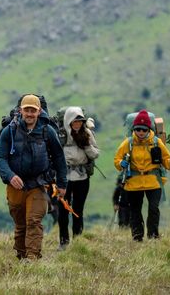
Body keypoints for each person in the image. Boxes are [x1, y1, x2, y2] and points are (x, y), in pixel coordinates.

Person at [0, 94, 67, 260]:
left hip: (39, 184)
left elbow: (58, 158)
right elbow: (0, 157)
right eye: (26, 110)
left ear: (39, 111)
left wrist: (62, 184)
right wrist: (10, 175)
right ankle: (21, 256)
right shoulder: (9, 131)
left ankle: (32, 257)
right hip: (15, 186)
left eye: (33, 110)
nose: (29, 114)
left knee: (34, 221)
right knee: (20, 225)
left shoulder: (47, 131)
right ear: (20, 110)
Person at [113, 109, 170, 241]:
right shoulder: (128, 143)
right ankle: (137, 236)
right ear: (134, 129)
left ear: (149, 129)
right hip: (134, 182)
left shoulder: (156, 142)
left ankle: (153, 235)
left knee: (153, 209)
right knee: (135, 210)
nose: (140, 132)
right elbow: (117, 160)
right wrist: (121, 163)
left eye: (144, 129)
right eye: (138, 129)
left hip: (153, 181)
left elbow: (167, 159)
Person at [57, 106, 100, 250]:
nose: (77, 124)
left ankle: (78, 240)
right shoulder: (61, 135)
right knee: (63, 210)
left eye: (80, 121)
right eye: (75, 121)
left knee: (78, 209)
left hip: (82, 177)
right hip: (64, 178)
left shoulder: (87, 133)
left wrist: (85, 144)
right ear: (68, 121)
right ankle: (64, 241)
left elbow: (95, 154)